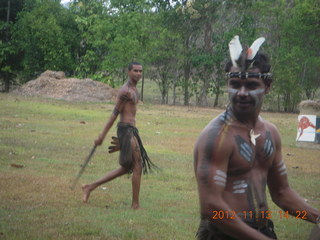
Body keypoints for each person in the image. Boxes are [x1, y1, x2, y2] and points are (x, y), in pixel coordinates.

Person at [194, 36, 320, 239]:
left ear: (268, 86)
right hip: (221, 234)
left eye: (251, 85)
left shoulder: (270, 134)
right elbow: (211, 207)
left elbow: (282, 193)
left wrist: (317, 217)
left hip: (263, 229)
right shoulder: (216, 137)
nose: (241, 93)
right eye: (235, 84)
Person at [82, 61, 157, 210]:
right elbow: (114, 114)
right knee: (137, 165)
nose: (139, 74)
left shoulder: (135, 90)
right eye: (135, 71)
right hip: (125, 130)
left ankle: (89, 187)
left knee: (126, 168)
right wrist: (101, 136)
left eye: (141, 71)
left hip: (131, 130)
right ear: (128, 71)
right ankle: (135, 205)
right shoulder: (125, 91)